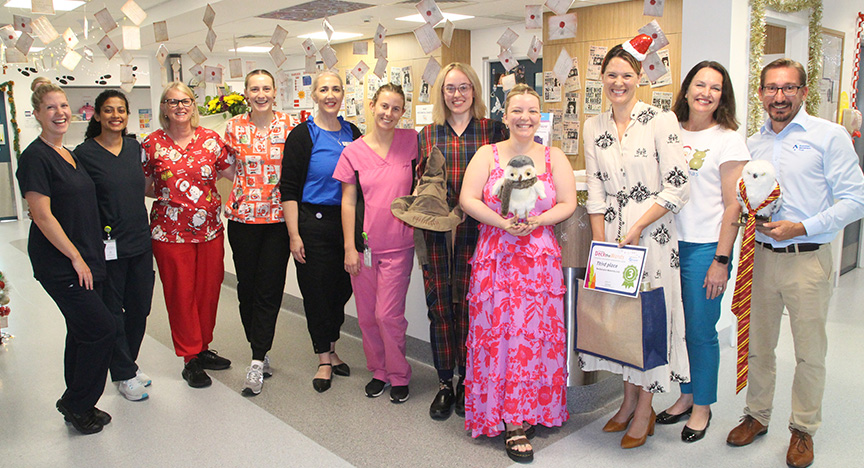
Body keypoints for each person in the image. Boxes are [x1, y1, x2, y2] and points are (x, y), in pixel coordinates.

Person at [725, 58, 864, 468]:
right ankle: (757, 415)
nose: (779, 96)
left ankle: (803, 429)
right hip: (762, 258)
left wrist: (801, 227)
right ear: (761, 93)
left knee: (809, 352)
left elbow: (855, 200)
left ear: (804, 92)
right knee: (759, 345)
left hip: (808, 259)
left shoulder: (830, 136)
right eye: (771, 88)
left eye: (788, 88)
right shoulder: (752, 144)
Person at [582, 44, 691, 449]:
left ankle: (644, 408)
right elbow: (594, 187)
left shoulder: (661, 120)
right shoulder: (594, 126)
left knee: (650, 321)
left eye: (626, 75)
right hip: (611, 236)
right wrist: (600, 242)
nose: (618, 82)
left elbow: (680, 184)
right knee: (621, 320)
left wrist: (637, 228)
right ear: (602, 78)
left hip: (654, 237)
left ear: (640, 78)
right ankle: (627, 401)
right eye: (611, 74)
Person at [460, 83, 576, 462]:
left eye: (531, 111)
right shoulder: (487, 154)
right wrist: (503, 223)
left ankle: (534, 409)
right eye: (517, 111)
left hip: (538, 260)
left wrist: (538, 220)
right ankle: (510, 420)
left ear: (539, 116)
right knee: (500, 337)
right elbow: (468, 198)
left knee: (533, 336)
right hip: (497, 257)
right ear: (505, 116)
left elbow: (568, 203)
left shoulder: (554, 156)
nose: (524, 118)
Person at [654, 62, 749, 442]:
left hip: (705, 246)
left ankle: (703, 407)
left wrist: (721, 261)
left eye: (715, 87)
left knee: (700, 331)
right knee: (676, 328)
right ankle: (685, 396)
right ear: (687, 88)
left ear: (722, 95)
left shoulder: (729, 139)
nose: (706, 92)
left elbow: (733, 205)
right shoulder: (669, 129)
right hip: (666, 242)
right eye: (699, 84)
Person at [16, 83, 115, 434]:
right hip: (61, 262)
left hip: (86, 255)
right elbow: (42, 215)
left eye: (63, 106)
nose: (60, 113)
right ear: (37, 114)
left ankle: (79, 402)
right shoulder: (35, 158)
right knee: (101, 328)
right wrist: (75, 257)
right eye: (50, 108)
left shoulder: (68, 153)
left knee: (82, 330)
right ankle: (76, 403)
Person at [417, 62, 507, 420]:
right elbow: (419, 185)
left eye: (463, 87)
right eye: (450, 88)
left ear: (474, 91)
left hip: (478, 233)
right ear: (441, 93)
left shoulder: (493, 130)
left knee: (472, 309)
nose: (457, 95)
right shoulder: (427, 134)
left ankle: (470, 382)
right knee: (440, 308)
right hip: (437, 233)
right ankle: (444, 383)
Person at [142, 82, 235, 389]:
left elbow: (232, 173)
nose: (179, 107)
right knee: (181, 295)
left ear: (194, 105)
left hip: (209, 230)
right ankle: (189, 358)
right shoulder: (152, 144)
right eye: (172, 102)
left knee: (208, 292)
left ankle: (203, 346)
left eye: (185, 101)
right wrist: (174, 197)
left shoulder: (211, 140)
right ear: (164, 108)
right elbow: (143, 186)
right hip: (170, 234)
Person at [334, 84, 417, 403]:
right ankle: (379, 371)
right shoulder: (353, 152)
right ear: (372, 105)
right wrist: (349, 248)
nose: (389, 114)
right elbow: (348, 202)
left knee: (388, 315)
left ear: (402, 112)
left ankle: (398, 375)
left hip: (400, 245)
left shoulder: (411, 142)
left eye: (396, 109)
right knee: (367, 316)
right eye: (384, 106)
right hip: (364, 248)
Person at [281, 71, 361, 393]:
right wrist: (294, 235)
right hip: (311, 223)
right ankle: (324, 357)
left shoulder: (352, 132)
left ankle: (331, 343)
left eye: (336, 89)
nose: (330, 94)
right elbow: (287, 189)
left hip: (346, 221)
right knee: (317, 291)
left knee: (341, 289)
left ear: (343, 94)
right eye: (324, 89)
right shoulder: (303, 135)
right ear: (313, 95)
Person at [76, 90, 155, 402]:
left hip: (139, 240)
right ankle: (122, 372)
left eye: (121, 110)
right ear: (96, 116)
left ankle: (128, 364)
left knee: (140, 307)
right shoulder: (84, 154)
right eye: (108, 110)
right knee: (113, 311)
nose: (115, 116)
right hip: (107, 245)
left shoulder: (135, 148)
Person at [223, 69, 296, 396]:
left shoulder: (289, 125)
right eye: (255, 89)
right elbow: (225, 166)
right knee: (246, 290)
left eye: (266, 88)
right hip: (242, 220)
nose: (261, 93)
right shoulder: (234, 126)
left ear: (274, 91)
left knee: (269, 288)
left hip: (279, 221)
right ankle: (259, 346)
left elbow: (297, 169)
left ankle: (256, 359)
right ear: (247, 93)